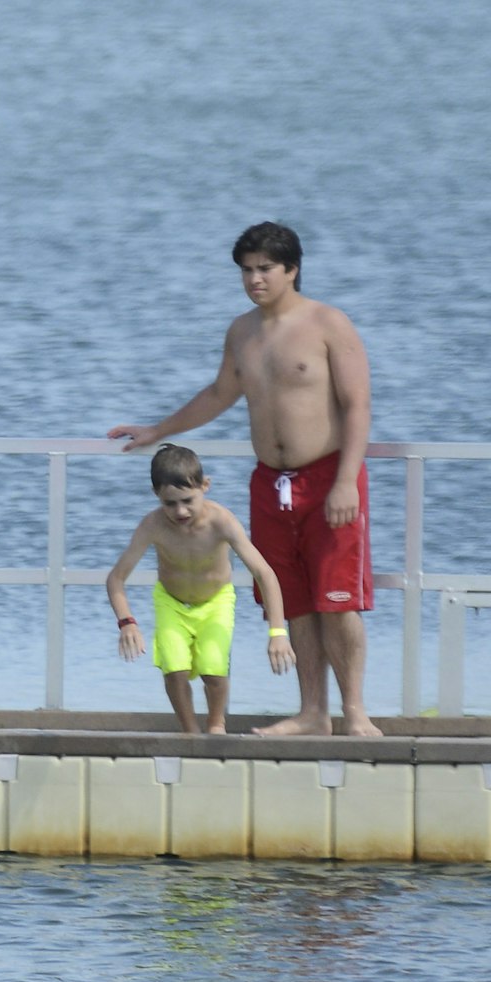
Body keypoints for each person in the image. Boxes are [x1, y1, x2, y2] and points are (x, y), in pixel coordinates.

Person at [109, 220, 379, 737]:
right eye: (246, 270)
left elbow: (358, 405)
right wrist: (158, 429)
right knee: (293, 597)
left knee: (337, 598)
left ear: (292, 270)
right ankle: (312, 712)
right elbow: (218, 395)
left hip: (328, 477)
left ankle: (356, 712)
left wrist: (346, 480)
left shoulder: (329, 324)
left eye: (265, 269)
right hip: (270, 482)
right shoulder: (242, 331)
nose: (254, 279)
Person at [102, 443, 292, 735]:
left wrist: (277, 633)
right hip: (171, 603)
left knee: (213, 669)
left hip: (215, 601)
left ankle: (216, 724)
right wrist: (127, 623)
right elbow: (116, 579)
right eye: (170, 503)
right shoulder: (152, 526)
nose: (180, 511)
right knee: (174, 669)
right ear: (157, 496)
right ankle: (189, 732)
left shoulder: (221, 522)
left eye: (188, 500)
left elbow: (264, 573)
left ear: (205, 486)